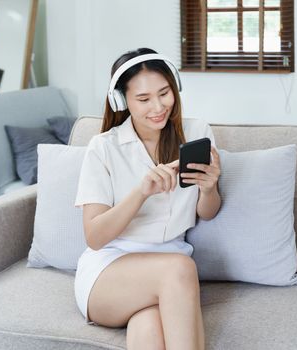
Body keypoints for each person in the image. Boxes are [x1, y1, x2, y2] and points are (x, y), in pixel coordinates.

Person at [74, 47, 221, 350]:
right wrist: (141, 193)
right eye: (143, 99)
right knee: (179, 267)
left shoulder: (196, 132)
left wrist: (209, 188)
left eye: (164, 93)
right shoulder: (103, 147)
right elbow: (95, 236)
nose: (158, 106)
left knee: (149, 326)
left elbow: (207, 213)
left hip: (165, 280)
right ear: (121, 101)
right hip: (110, 271)